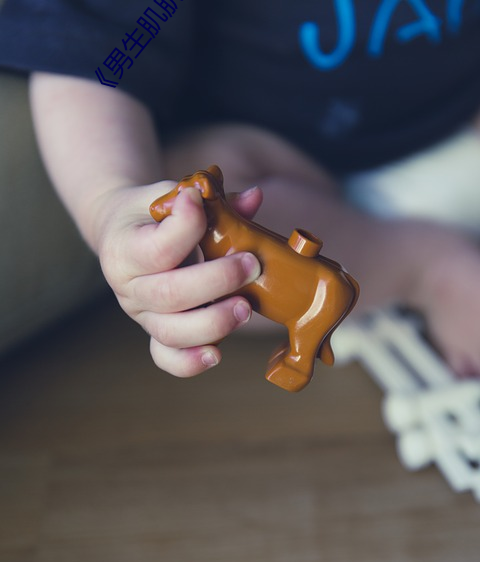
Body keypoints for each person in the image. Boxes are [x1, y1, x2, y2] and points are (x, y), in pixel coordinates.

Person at [1, 0, 480, 377]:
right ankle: (425, 266)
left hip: (462, 112)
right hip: (275, 163)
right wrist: (110, 201)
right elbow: (94, 54)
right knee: (195, 223)